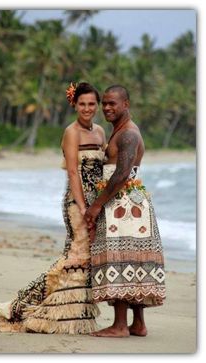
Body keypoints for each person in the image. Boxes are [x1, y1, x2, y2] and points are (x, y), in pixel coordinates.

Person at [0, 82, 106, 334]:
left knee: (88, 258)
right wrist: (83, 207)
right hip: (76, 203)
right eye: (82, 104)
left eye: (92, 104)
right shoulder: (71, 132)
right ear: (74, 104)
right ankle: (26, 308)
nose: (87, 108)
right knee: (75, 255)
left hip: (96, 204)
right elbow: (72, 171)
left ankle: (75, 315)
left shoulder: (101, 132)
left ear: (97, 105)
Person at [84, 85, 166, 337]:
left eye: (113, 104)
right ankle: (138, 323)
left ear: (126, 104)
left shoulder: (128, 134)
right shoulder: (121, 131)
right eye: (105, 103)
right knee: (133, 258)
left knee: (119, 255)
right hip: (129, 200)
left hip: (123, 202)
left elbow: (121, 173)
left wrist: (97, 205)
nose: (107, 107)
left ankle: (120, 325)